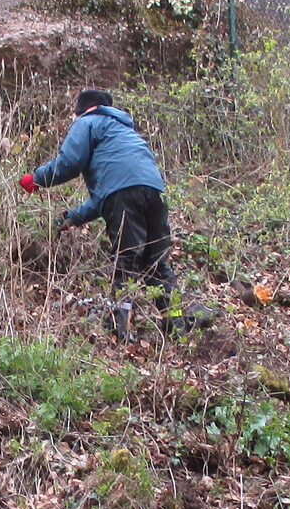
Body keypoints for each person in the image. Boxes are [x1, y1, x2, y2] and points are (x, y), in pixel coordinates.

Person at [21, 89, 184, 339]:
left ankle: (120, 328)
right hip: (155, 191)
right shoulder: (125, 133)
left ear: (82, 110)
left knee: (127, 258)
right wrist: (72, 217)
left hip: (124, 194)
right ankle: (176, 326)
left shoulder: (87, 122)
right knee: (156, 262)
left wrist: (37, 179)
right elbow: (108, 196)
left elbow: (70, 163)